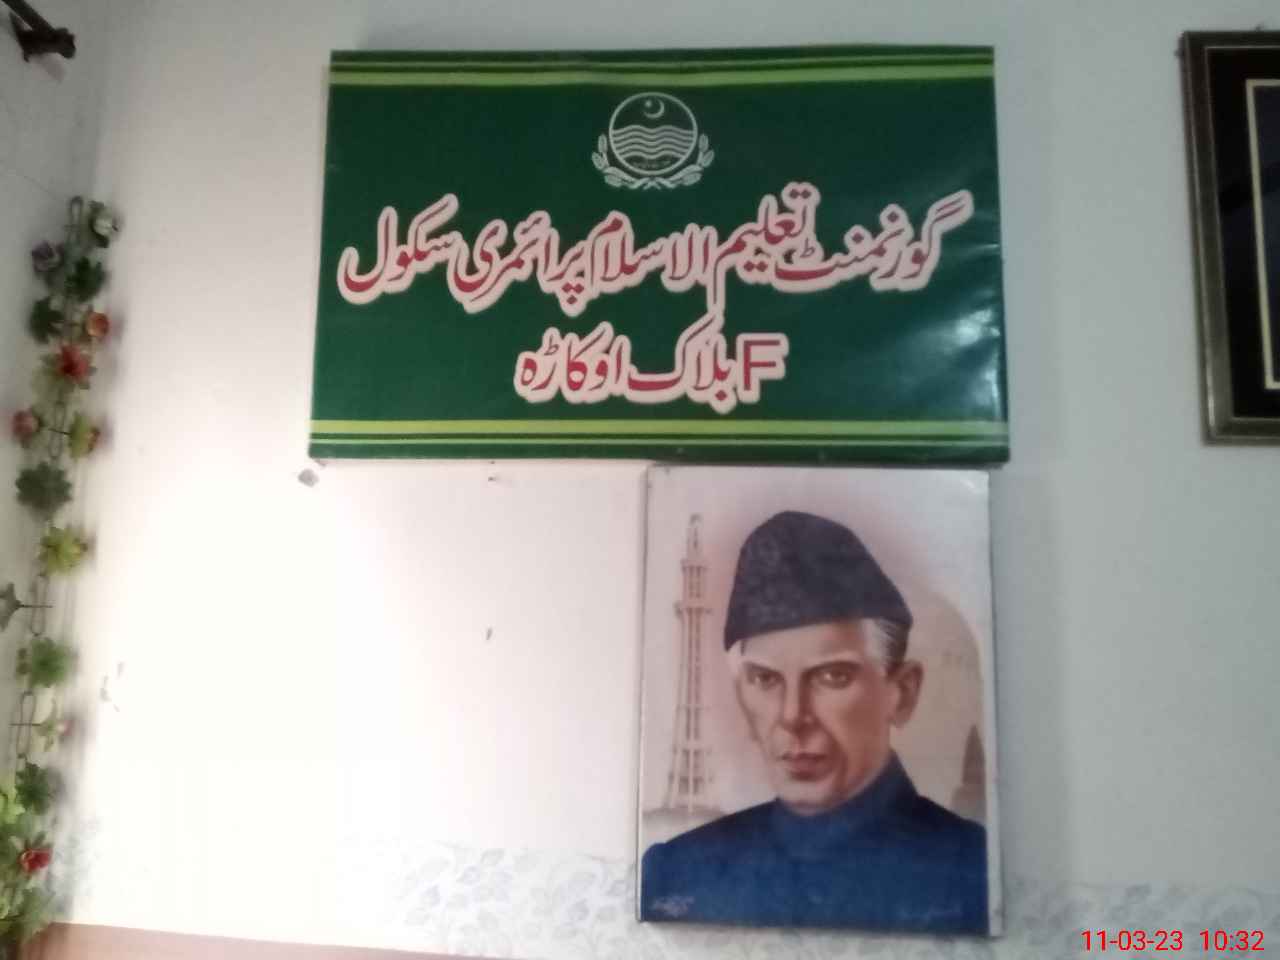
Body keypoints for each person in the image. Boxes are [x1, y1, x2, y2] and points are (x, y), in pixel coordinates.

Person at [640, 511, 988, 934]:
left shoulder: (974, 873)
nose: (792, 716)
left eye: (832, 676)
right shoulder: (676, 872)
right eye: (766, 679)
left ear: (901, 693)